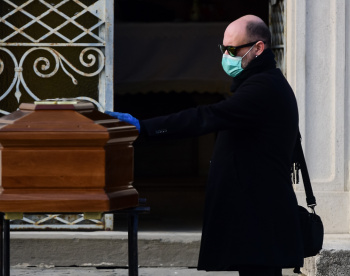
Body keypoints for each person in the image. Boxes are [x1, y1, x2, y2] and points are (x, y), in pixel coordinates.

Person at [107, 15, 304, 276]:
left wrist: (145, 126)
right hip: (257, 212)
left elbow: (207, 117)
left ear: (258, 48)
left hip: (260, 215)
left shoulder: (263, 87)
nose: (226, 56)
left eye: (233, 50)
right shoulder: (266, 81)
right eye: (223, 49)